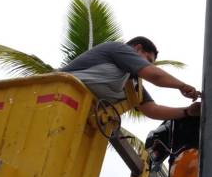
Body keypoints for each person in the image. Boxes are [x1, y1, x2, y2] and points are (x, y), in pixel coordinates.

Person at [59, 36, 200, 120]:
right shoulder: (118, 48)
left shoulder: (131, 83)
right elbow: (155, 75)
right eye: (148, 60)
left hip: (75, 113)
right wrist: (181, 86)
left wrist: (187, 111)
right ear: (137, 49)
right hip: (58, 92)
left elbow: (151, 109)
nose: (147, 65)